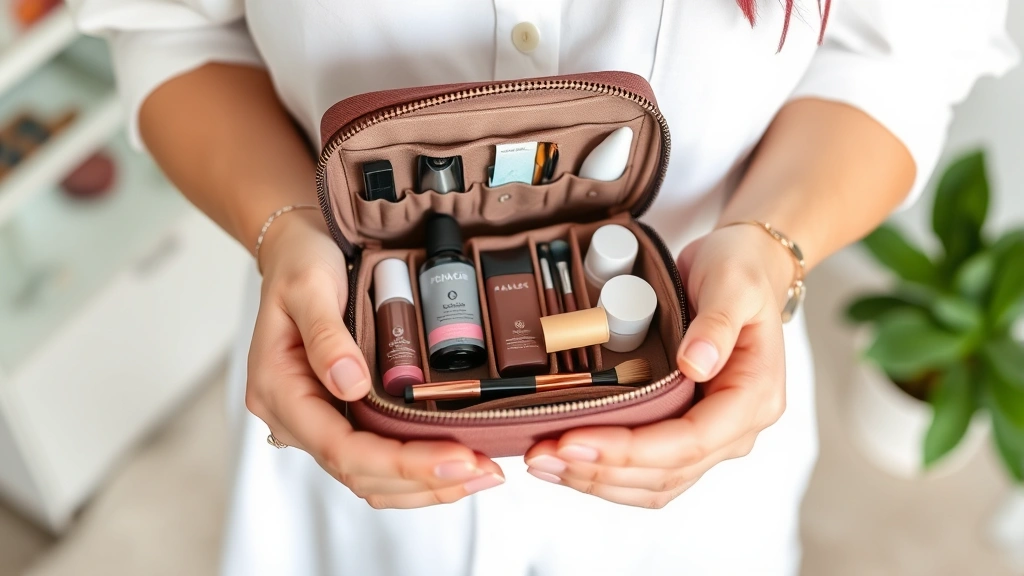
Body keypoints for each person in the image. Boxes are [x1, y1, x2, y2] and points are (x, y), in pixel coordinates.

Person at [69, 1, 1017, 574]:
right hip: (350, 373)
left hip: (694, 388)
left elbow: (895, 57)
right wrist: (286, 232)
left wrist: (768, 250)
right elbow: (168, 28)